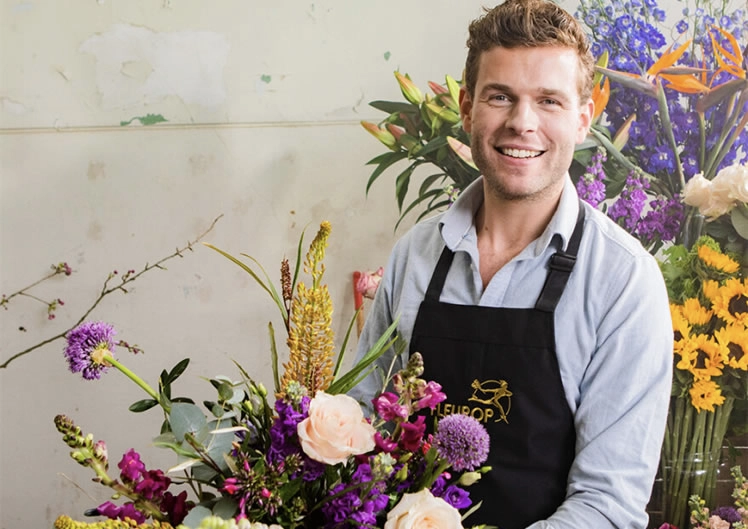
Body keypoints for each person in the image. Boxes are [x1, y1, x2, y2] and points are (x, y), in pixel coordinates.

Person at [349, 0, 673, 527]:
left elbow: (607, 505)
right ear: (467, 107)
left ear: (584, 120)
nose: (522, 123)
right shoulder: (415, 254)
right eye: (501, 97)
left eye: (549, 101)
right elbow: (366, 431)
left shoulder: (622, 282)